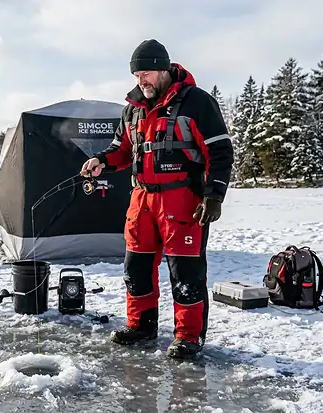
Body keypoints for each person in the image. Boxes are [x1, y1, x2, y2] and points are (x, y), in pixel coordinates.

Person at [80, 39, 234, 359]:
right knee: (135, 268)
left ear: (164, 69)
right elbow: (122, 150)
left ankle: (188, 336)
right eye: (137, 76)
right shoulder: (131, 110)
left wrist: (214, 195)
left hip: (183, 200)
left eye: (147, 73)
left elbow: (220, 152)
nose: (142, 81)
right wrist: (101, 161)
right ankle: (141, 325)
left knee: (186, 273)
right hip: (141, 201)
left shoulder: (197, 103)